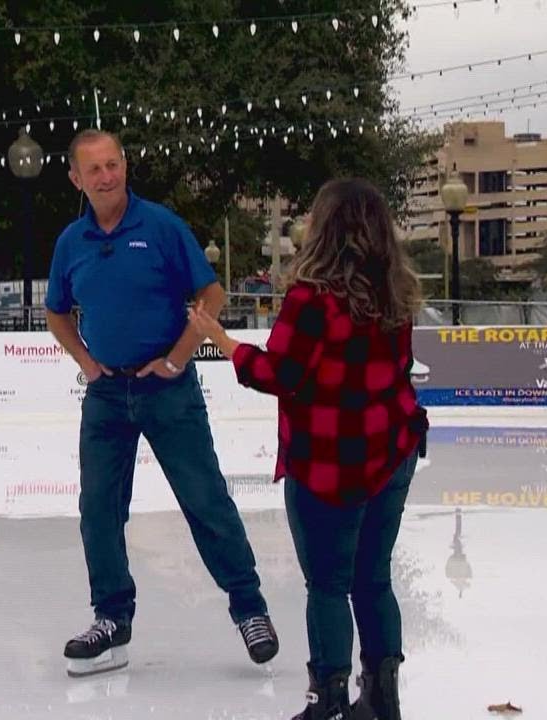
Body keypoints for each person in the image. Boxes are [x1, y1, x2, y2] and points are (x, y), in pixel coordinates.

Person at [188, 178, 428, 720]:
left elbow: (283, 374)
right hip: (391, 449)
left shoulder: (310, 298)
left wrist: (224, 343)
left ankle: (328, 700)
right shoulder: (397, 292)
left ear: (323, 229)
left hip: (328, 460)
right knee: (373, 577)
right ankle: (382, 697)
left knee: (327, 584)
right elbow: (399, 372)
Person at [44, 129, 278, 677]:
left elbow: (211, 294)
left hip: (168, 391)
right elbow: (57, 312)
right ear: (77, 179)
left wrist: (177, 357)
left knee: (205, 499)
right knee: (99, 508)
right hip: (106, 394)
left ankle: (250, 608)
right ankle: (111, 619)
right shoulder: (70, 243)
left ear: (125, 166)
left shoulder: (161, 226)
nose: (107, 177)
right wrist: (85, 361)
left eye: (114, 165)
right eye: (94, 170)